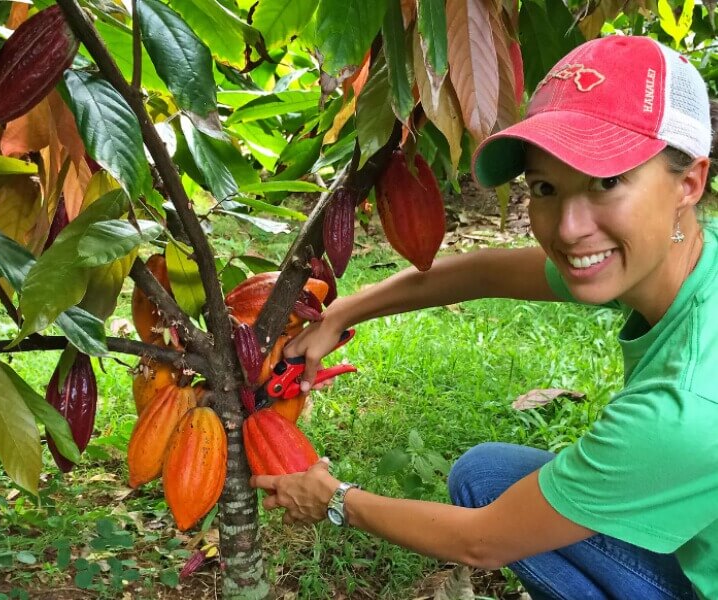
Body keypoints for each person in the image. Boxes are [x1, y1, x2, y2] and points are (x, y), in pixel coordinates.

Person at [250, 35, 718, 600]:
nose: (568, 229)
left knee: (498, 505)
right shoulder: (681, 259)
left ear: (689, 183)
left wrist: (334, 500)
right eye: (545, 187)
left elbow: (483, 542)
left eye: (607, 182)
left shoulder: (683, 409)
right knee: (487, 475)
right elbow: (485, 273)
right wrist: (346, 311)